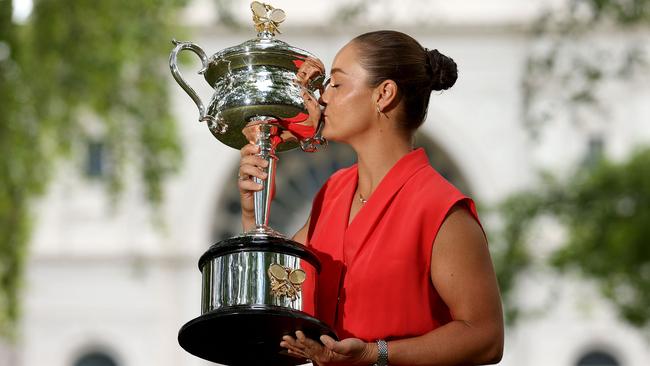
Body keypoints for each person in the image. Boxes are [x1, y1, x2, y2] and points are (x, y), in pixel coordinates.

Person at [238, 30, 504, 366]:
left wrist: (374, 353)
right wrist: (253, 216)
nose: (322, 99)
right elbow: (280, 291)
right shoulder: (333, 192)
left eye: (336, 84)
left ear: (384, 94)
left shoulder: (441, 209)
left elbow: (485, 337)